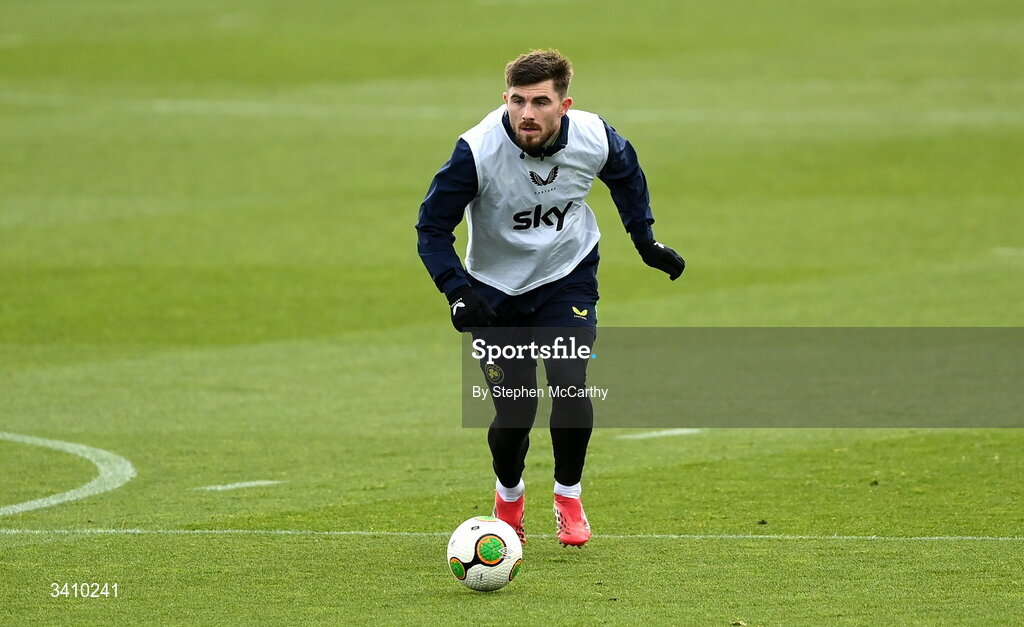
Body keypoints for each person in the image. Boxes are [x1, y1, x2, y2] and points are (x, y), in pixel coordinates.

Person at [416, 49, 685, 547]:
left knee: (569, 380)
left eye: (540, 102)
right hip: (494, 292)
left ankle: (567, 496)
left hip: (568, 276)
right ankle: (510, 496)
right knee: (515, 412)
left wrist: (645, 241)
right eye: (517, 101)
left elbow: (626, 174)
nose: (527, 114)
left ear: (564, 104)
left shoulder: (594, 135)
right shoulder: (476, 151)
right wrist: (457, 292)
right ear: (505, 99)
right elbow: (432, 227)